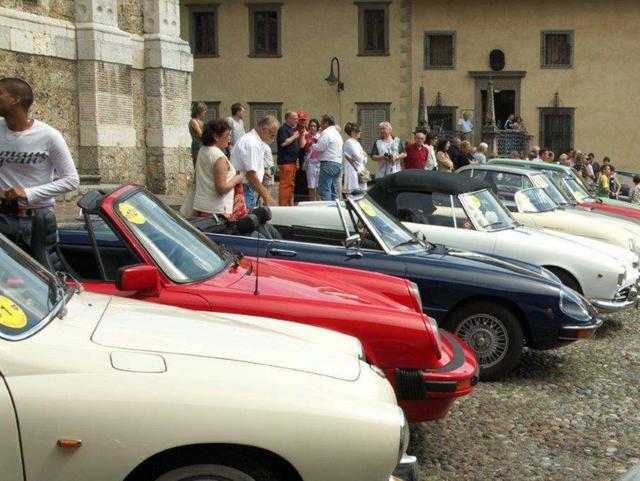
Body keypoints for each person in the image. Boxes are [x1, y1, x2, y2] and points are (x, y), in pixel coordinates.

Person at [0, 77, 79, 243]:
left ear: (15, 100)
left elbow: (71, 180)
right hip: (3, 218)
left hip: (37, 222)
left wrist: (28, 193)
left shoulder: (49, 136)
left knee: (41, 268)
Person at [193, 119, 243, 218]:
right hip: (217, 210)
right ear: (216, 136)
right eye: (227, 135)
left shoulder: (203, 150)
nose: (229, 138)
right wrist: (237, 179)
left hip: (202, 205)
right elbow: (221, 188)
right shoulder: (219, 157)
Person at [230, 115, 278, 209]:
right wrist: (267, 197)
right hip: (245, 189)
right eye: (272, 135)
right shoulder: (252, 143)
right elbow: (251, 175)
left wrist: (262, 170)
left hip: (246, 188)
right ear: (264, 129)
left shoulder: (253, 140)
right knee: (246, 221)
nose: (273, 139)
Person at [313, 114, 344, 201]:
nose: (321, 125)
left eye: (322, 123)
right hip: (337, 163)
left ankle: (327, 209)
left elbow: (321, 147)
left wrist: (313, 145)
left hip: (328, 163)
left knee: (324, 189)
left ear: (326, 123)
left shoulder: (326, 132)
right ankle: (335, 208)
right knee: (334, 189)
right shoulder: (337, 133)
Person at [276, 111, 300, 206]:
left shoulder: (291, 129)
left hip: (292, 161)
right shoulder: (283, 129)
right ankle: (283, 204)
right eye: (295, 118)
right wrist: (294, 137)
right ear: (288, 119)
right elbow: (283, 143)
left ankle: (288, 203)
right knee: (285, 185)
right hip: (286, 161)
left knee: (290, 184)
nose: (296, 120)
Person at [343, 122, 368, 194]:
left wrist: (363, 155)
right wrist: (363, 155)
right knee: (353, 193)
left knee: (361, 193)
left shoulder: (356, 142)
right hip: (353, 171)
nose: (361, 132)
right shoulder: (349, 142)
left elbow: (363, 158)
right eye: (359, 131)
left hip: (360, 170)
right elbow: (359, 157)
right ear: (353, 132)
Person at [301, 118, 321, 201]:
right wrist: (303, 135)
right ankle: (312, 203)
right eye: (311, 126)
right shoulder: (306, 136)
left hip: (320, 163)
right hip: (310, 162)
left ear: (317, 127)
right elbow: (301, 146)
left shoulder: (321, 136)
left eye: (314, 126)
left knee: (319, 186)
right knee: (311, 186)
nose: (312, 127)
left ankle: (319, 204)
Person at [294, 111, 309, 204]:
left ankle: (306, 201)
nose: (302, 122)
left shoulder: (308, 130)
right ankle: (297, 201)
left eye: (304, 120)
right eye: (301, 120)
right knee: (298, 180)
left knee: (307, 181)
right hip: (298, 156)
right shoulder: (295, 131)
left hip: (307, 157)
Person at [189, 102, 207, 166]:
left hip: (203, 144)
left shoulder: (202, 122)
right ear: (199, 111)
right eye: (203, 110)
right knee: (198, 164)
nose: (205, 112)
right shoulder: (193, 121)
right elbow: (201, 134)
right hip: (197, 145)